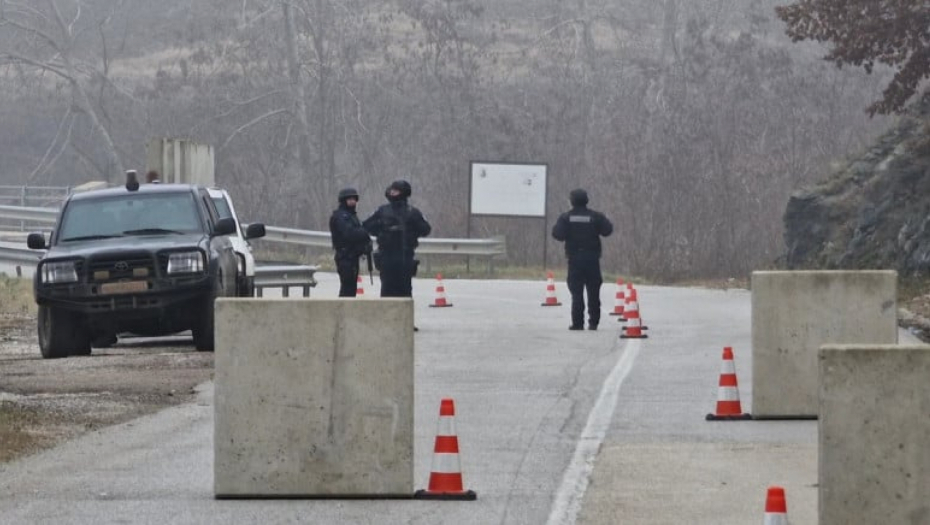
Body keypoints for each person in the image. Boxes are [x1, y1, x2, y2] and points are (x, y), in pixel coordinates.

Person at [551, 188, 614, 331]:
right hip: (592, 259)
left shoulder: (566, 217)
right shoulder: (595, 216)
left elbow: (557, 234)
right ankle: (593, 323)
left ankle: (577, 323)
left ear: (571, 201)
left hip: (575, 260)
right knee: (594, 292)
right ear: (587, 200)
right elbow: (608, 230)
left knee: (577, 293)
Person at [363, 180, 431, 298]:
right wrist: (382, 229)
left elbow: (426, 229)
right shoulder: (382, 211)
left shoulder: (412, 212)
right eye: (392, 190)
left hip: (405, 255)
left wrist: (410, 231)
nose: (392, 192)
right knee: (387, 290)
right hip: (387, 255)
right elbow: (366, 225)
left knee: (405, 290)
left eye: (396, 190)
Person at [329, 187, 373, 297]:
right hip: (345, 256)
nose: (352, 201)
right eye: (349, 199)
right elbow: (350, 234)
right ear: (343, 200)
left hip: (353, 256)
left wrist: (365, 245)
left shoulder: (352, 216)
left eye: (354, 199)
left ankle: (348, 307)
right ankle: (344, 307)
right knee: (347, 288)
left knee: (351, 288)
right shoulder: (341, 216)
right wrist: (365, 231)